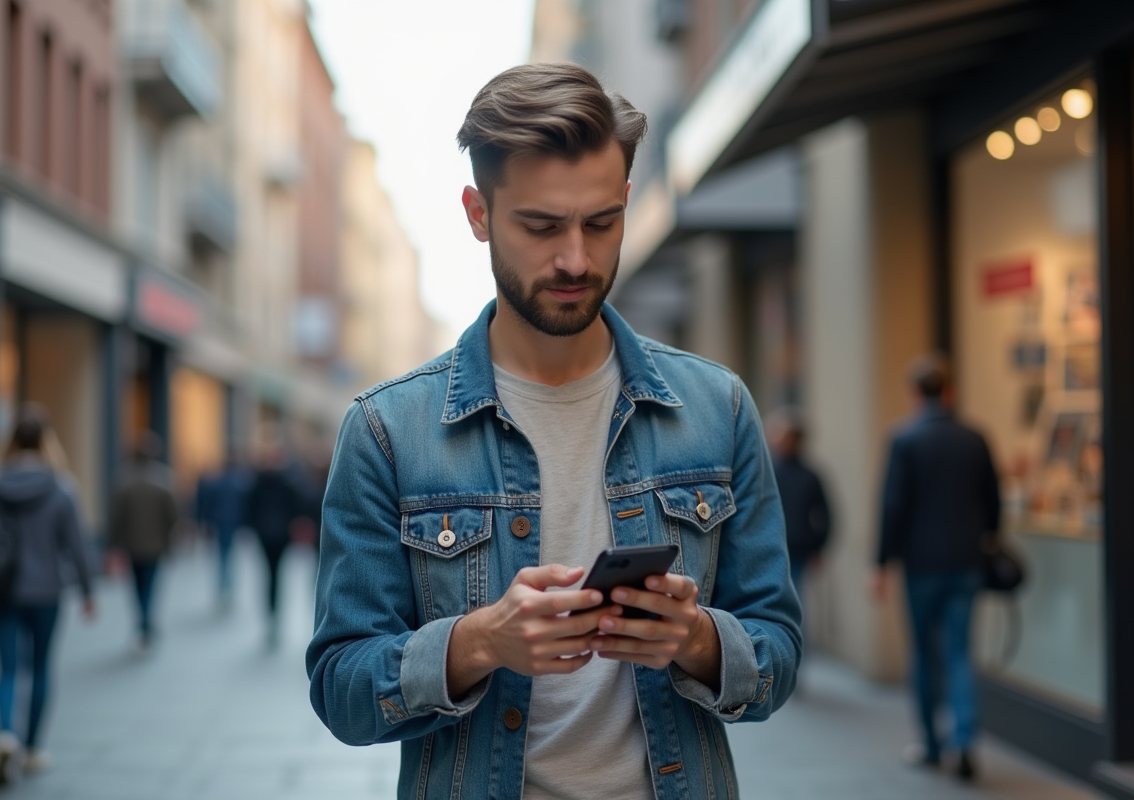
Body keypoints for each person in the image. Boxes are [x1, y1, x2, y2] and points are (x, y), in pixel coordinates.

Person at [306, 63, 802, 800]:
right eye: (540, 226)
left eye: (601, 223)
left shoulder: (718, 406)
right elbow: (342, 689)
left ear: (628, 203)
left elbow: (780, 654)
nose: (576, 258)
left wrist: (696, 640)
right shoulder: (386, 430)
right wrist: (479, 642)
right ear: (478, 213)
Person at [871, 354, 1001, 781]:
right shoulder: (974, 438)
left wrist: (880, 563)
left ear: (914, 395)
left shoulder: (905, 440)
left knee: (925, 654)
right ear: (950, 392)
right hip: (965, 561)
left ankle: (930, 744)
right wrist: (990, 539)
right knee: (960, 652)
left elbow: (892, 507)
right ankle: (963, 742)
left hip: (921, 564)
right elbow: (993, 501)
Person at [0, 405, 94, 786]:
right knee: (41, 668)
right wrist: (87, 590)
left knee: (8, 669)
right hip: (47, 591)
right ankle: (31, 749)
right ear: (48, 441)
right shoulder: (62, 487)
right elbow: (76, 546)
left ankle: (5, 735)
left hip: (0, 591)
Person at [109, 431, 178, 654]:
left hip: (132, 545)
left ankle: (143, 622)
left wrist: (112, 545)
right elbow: (172, 517)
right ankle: (146, 622)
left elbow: (116, 517)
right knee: (150, 585)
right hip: (155, 546)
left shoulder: (125, 480)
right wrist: (170, 541)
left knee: (138, 586)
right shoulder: (164, 480)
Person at [766, 408, 832, 600]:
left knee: (793, 599)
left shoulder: (809, 476)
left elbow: (826, 515)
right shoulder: (769, 472)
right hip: (769, 547)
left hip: (798, 550)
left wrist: (818, 547)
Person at [246, 438, 302, 648]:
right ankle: (274, 615)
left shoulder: (258, 480)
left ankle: (271, 615)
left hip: (266, 533)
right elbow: (297, 506)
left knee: (270, 574)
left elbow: (250, 507)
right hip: (280, 534)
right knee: (276, 575)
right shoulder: (287, 480)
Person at [195, 455, 251, 612]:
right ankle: (228, 590)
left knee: (222, 558)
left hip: (219, 524)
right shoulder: (239, 484)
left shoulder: (216, 483)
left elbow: (207, 506)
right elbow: (244, 508)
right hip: (232, 524)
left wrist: (204, 523)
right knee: (230, 557)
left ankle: (223, 590)